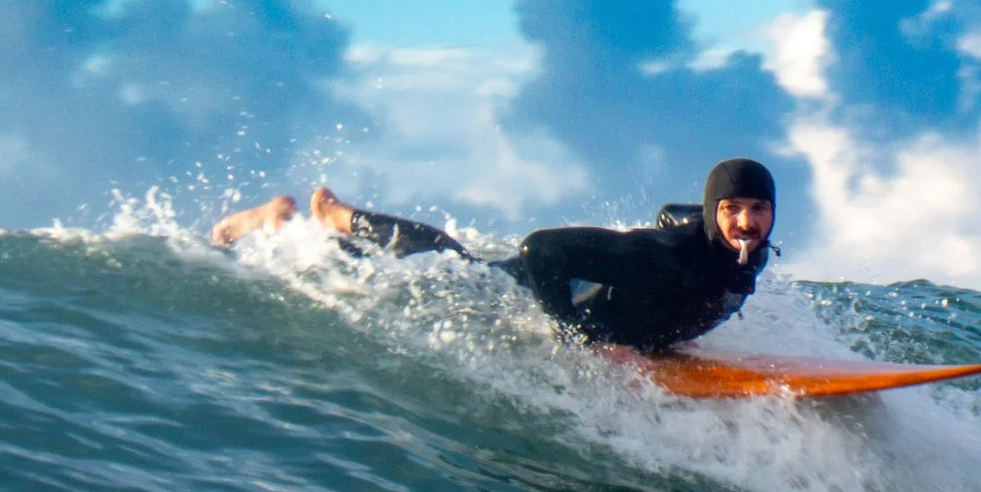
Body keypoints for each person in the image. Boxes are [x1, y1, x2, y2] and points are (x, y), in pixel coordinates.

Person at [210, 157, 779, 354]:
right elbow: (543, 249)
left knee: (448, 259)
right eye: (731, 209)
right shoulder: (665, 257)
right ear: (714, 212)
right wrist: (577, 340)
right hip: (531, 293)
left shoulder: (744, 250)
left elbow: (670, 211)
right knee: (441, 268)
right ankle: (288, 227)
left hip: (602, 304)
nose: (746, 222)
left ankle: (335, 218)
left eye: (758, 208)